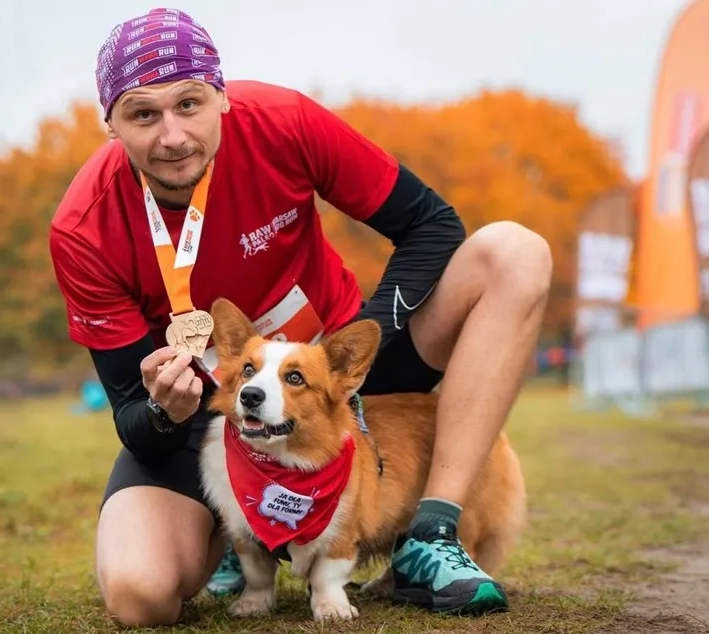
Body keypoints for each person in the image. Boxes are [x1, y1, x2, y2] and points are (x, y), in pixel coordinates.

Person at [49, 7, 551, 628]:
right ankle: (234, 535)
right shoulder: (81, 227)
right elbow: (132, 418)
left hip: (334, 384)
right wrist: (161, 410)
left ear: (222, 99)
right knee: (138, 595)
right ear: (111, 125)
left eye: (189, 103)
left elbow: (433, 225)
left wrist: (348, 358)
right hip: (212, 420)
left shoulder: (284, 121)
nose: (172, 135)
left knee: (516, 253)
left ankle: (432, 533)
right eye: (143, 114)